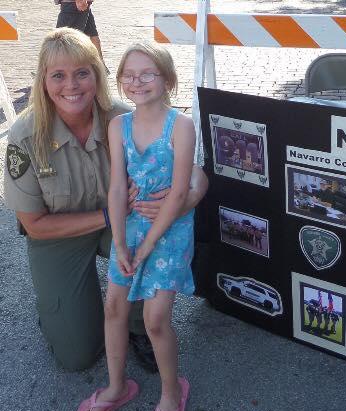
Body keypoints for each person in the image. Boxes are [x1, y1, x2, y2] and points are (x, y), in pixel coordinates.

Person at [3, 28, 208, 373]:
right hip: (59, 235)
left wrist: (193, 194)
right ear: (42, 80)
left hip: (122, 222)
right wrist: (110, 216)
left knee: (154, 243)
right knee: (78, 356)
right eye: (58, 75)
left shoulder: (119, 115)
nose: (71, 85)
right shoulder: (25, 136)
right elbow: (34, 224)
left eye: (82, 73)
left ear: (96, 75)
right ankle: (60, 313)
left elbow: (184, 165)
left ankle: (137, 326)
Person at [77, 41, 196, 411]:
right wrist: (121, 241)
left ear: (167, 79)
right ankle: (116, 385)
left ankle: (171, 392)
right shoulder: (118, 126)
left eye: (147, 73)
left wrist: (146, 246)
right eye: (128, 74)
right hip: (129, 228)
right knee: (114, 305)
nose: (137, 81)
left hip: (169, 231)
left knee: (155, 318)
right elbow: (116, 186)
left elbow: (179, 193)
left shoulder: (181, 126)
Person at [55, 0, 107, 70]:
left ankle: (61, 69)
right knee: (92, 35)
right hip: (78, 4)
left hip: (73, 4)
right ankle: (100, 67)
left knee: (61, 38)